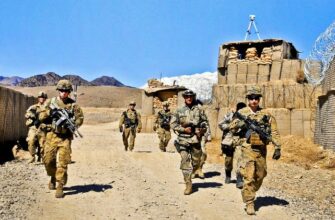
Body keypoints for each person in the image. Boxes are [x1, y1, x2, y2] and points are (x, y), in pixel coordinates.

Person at [230, 85, 281, 215]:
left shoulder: (266, 115)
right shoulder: (242, 113)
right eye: (251, 98)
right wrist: (240, 124)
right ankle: (249, 202)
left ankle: (251, 191)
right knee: (248, 176)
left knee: (261, 175)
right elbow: (231, 128)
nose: (254, 101)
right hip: (247, 149)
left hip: (261, 150)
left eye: (256, 98)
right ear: (248, 99)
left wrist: (277, 147)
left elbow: (274, 132)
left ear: (259, 99)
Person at [39, 80, 84, 198]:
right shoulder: (50, 102)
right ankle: (53, 176)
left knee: (63, 162)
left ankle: (60, 185)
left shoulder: (73, 105)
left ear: (69, 92)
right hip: (51, 136)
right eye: (61, 90)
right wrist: (51, 112)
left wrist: (73, 123)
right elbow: (41, 116)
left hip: (65, 138)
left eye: (66, 91)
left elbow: (80, 118)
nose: (63, 93)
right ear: (58, 90)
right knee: (48, 161)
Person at [171, 90, 202, 195]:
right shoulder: (179, 110)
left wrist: (201, 130)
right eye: (187, 96)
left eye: (191, 96)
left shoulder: (199, 110)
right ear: (184, 98)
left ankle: (195, 169)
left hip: (195, 140)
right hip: (183, 140)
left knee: (196, 161)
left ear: (193, 97)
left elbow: (205, 123)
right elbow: (173, 124)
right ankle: (188, 184)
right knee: (185, 160)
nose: (189, 98)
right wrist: (184, 130)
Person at [218, 102, 246, 187]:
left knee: (240, 159)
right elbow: (220, 124)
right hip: (229, 140)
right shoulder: (230, 116)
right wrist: (230, 126)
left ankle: (239, 179)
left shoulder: (246, 117)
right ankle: (228, 175)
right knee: (228, 161)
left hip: (240, 141)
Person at [25, 91, 48, 163]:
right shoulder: (33, 107)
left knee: (43, 144)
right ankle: (32, 156)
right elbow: (26, 114)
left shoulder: (48, 108)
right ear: (38, 98)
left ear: (45, 98)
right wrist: (32, 115)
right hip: (34, 127)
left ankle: (41, 157)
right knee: (31, 141)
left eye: (43, 97)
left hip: (43, 127)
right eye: (40, 97)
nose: (41, 99)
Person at [192, 99, 211, 179]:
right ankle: (193, 170)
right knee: (194, 154)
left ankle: (200, 169)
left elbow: (207, 124)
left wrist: (209, 135)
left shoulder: (203, 115)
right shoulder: (190, 114)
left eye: (201, 108)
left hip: (202, 136)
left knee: (203, 153)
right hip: (192, 136)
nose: (200, 109)